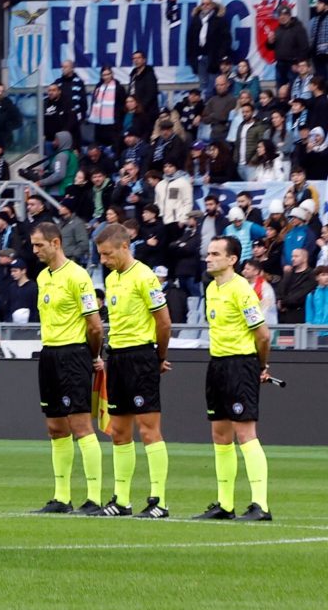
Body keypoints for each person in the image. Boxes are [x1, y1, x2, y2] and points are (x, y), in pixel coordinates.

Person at [27, 220, 108, 515]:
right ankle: (62, 498)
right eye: (32, 245)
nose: (34, 250)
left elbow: (95, 326)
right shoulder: (41, 278)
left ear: (56, 243)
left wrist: (93, 355)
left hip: (74, 354)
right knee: (55, 427)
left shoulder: (78, 276)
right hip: (49, 354)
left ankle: (94, 498)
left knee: (81, 426)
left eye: (39, 245)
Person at [94, 222, 173, 518]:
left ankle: (159, 501)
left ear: (124, 247)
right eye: (100, 255)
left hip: (141, 356)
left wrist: (158, 356)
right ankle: (122, 500)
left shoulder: (145, 276)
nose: (103, 260)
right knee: (118, 431)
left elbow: (164, 322)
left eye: (107, 254)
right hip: (118, 359)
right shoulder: (113, 279)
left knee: (149, 430)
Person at [193, 236, 275, 522]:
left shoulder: (242, 290)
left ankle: (260, 505)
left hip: (241, 364)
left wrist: (260, 366)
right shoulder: (211, 288)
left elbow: (263, 335)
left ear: (232, 259)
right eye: (208, 253)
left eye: (215, 253)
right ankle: (225, 505)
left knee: (245, 434)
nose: (209, 257)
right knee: (220, 434)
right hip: (217, 364)